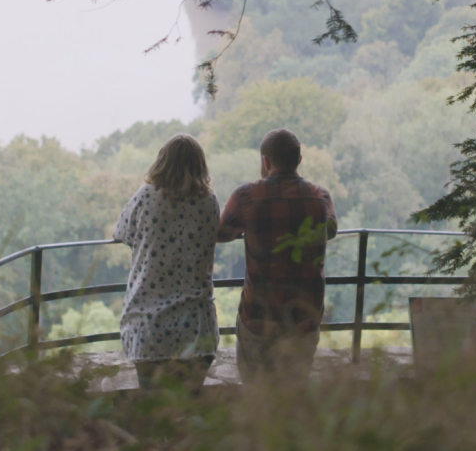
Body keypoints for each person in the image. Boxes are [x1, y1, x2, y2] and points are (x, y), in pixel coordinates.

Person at [217, 127, 338, 383]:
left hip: (260, 319)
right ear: (299, 160)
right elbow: (331, 231)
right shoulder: (320, 198)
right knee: (293, 396)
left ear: (265, 161)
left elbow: (220, 233)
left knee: (256, 399)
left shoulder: (246, 196)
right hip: (303, 321)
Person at [113, 134, 220, 390]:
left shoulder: (146, 197)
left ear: (161, 161)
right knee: (189, 412)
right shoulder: (209, 201)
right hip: (196, 325)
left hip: (149, 326)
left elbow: (121, 232)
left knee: (154, 414)